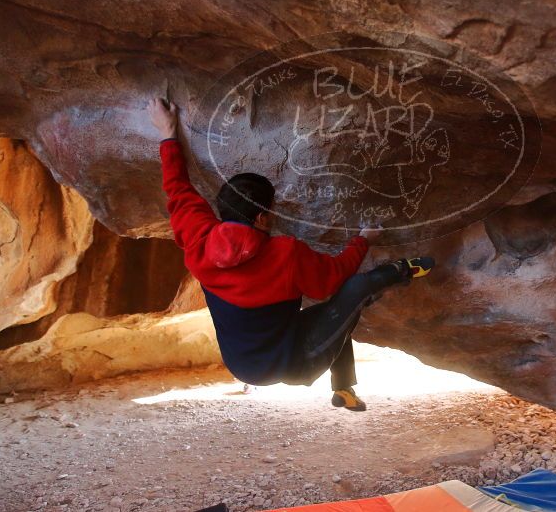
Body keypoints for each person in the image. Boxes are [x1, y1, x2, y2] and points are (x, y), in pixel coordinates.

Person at [148, 97, 434, 411]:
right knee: (354, 291)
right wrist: (364, 240)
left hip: (243, 363)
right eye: (271, 209)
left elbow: (177, 187)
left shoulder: (198, 236)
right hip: (294, 363)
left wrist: (167, 131)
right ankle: (399, 271)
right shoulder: (284, 254)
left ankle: (344, 390)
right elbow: (334, 279)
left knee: (338, 317)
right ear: (261, 218)